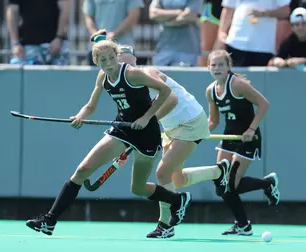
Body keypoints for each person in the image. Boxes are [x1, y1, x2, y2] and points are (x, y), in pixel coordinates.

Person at [25, 31, 192, 236]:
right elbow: (90, 106)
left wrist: (147, 117)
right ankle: (49, 221)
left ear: (117, 57)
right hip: (122, 128)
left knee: (138, 188)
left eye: (111, 58)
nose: (108, 63)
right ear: (96, 61)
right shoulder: (102, 76)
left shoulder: (132, 74)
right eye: (102, 60)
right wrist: (79, 116)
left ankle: (177, 200)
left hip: (146, 132)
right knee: (83, 169)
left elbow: (166, 92)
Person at [91, 29, 231, 238]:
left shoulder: (143, 74)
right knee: (177, 179)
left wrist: (148, 122)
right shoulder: (121, 79)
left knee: (162, 173)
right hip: (171, 126)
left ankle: (165, 225)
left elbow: (171, 98)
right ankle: (219, 172)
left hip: (189, 121)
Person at [206, 49, 280, 235]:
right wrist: (196, 133)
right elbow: (213, 121)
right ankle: (244, 223)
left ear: (229, 66)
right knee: (221, 184)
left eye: (221, 64)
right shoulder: (211, 91)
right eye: (213, 65)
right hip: (229, 137)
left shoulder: (238, 85)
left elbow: (264, 104)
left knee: (231, 183)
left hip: (248, 138)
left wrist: (251, 129)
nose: (217, 68)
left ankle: (266, 186)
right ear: (208, 67)